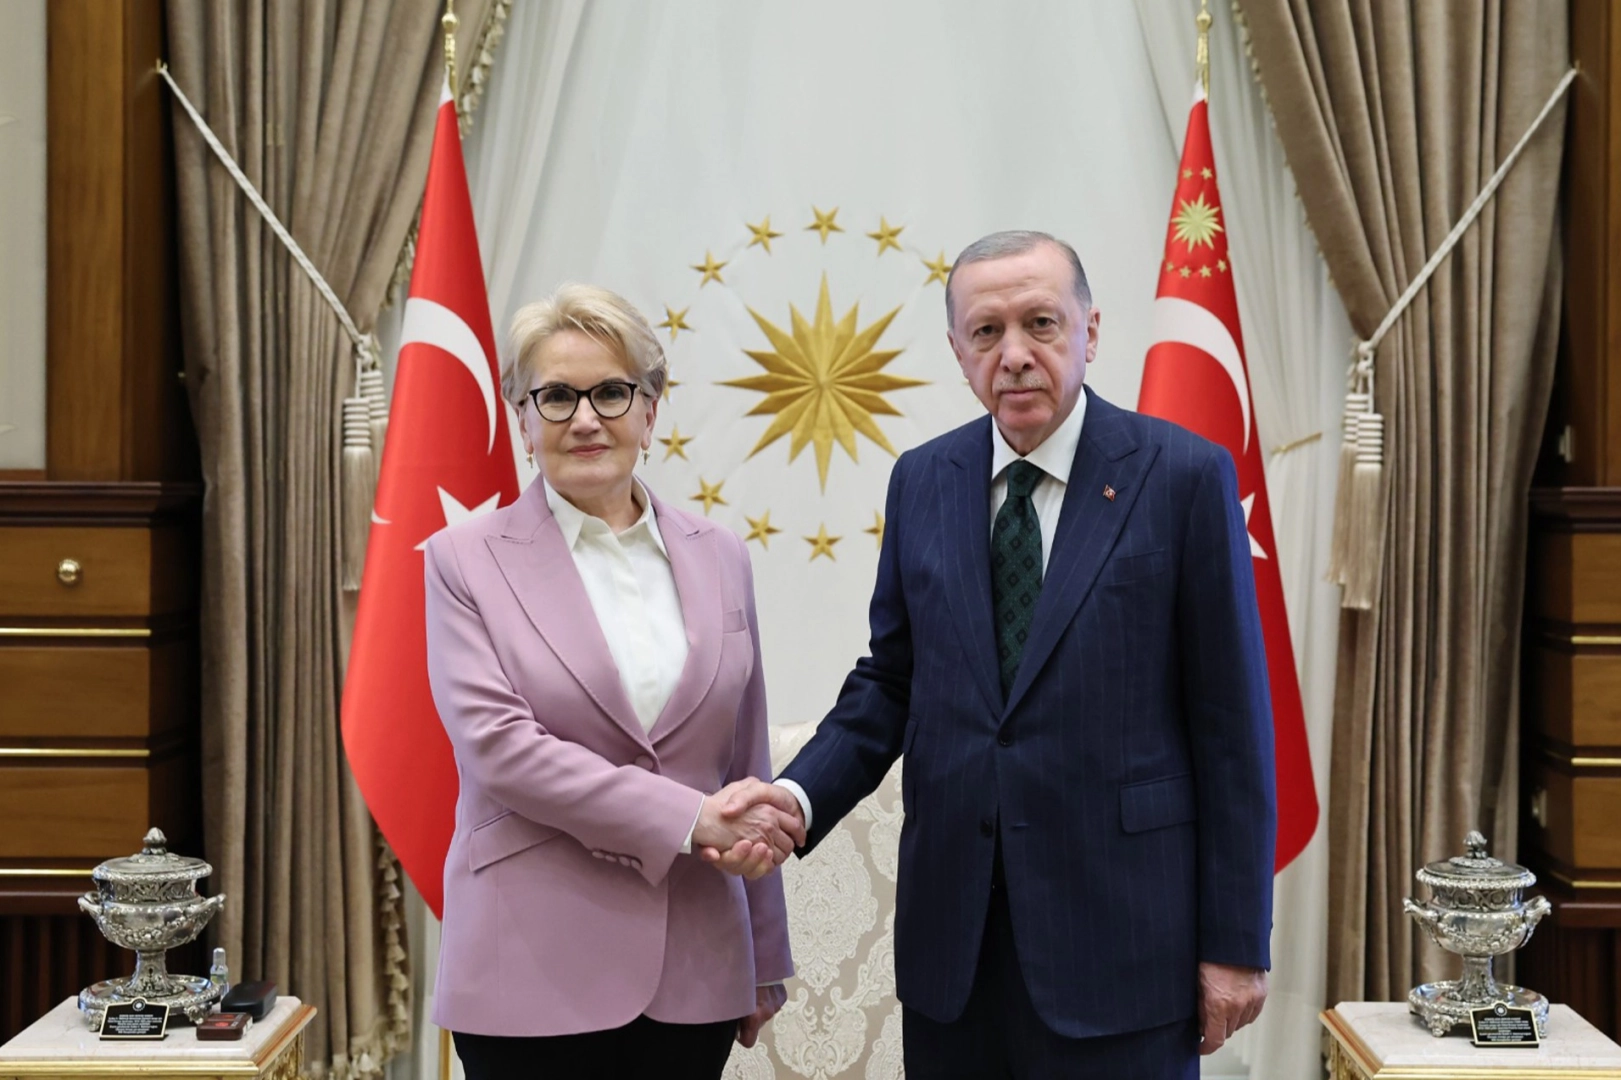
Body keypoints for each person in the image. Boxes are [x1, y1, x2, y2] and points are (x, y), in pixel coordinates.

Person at [709, 231, 1276, 1079]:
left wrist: (1233, 943)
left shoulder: (1182, 477)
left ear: (1089, 331)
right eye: (985, 332)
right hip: (957, 953)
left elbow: (1231, 726)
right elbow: (892, 682)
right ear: (956, 351)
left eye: (1039, 323)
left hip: (1123, 949)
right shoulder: (922, 480)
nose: (1013, 354)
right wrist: (794, 797)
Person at [424, 284, 800, 1080]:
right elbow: (500, 750)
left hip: (694, 964)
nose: (585, 419)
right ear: (522, 420)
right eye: (556, 396)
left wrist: (763, 951)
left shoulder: (721, 554)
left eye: (611, 392)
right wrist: (689, 818)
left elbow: (745, 759)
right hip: (527, 965)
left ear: (650, 411)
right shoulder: (463, 560)